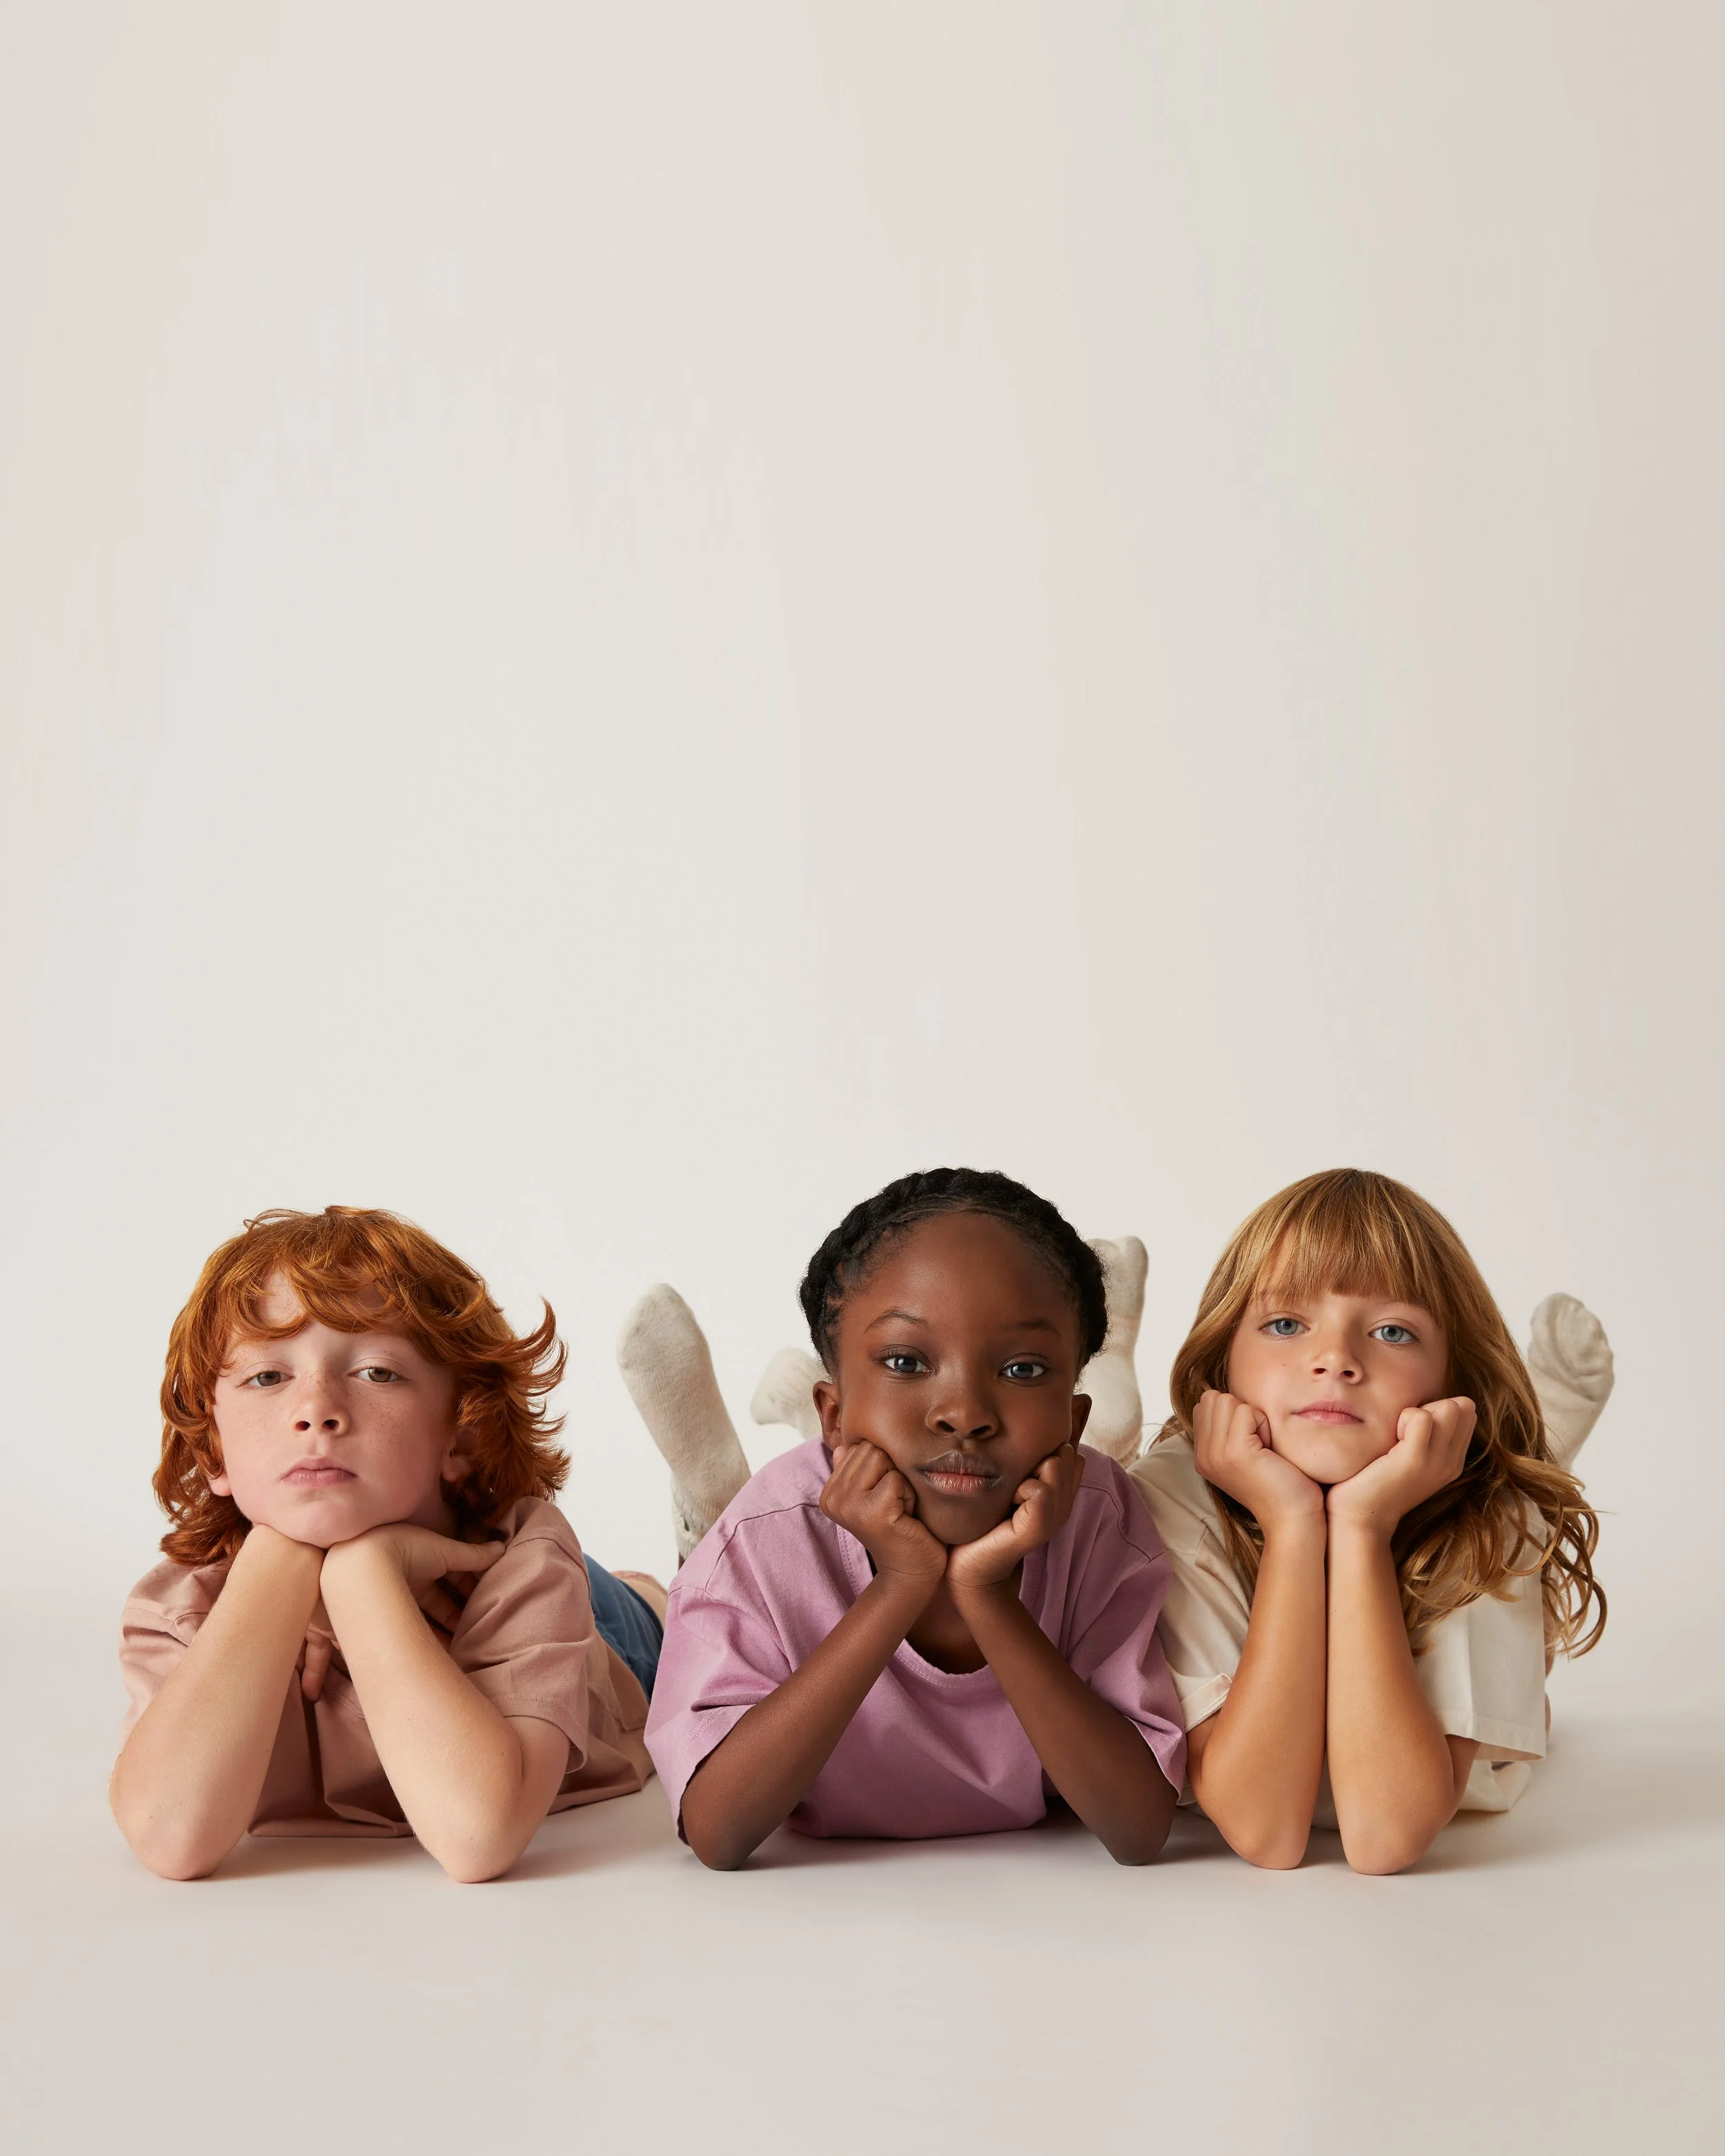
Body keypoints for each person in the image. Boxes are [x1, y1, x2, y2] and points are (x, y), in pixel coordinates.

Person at [637, 1168, 1186, 1870]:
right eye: (905, 1360)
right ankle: (695, 1501)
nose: (963, 1411)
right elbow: (717, 1830)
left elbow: (1137, 1828)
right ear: (832, 1416)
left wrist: (986, 1593)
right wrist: (899, 1583)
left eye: (1022, 1369)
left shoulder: (1101, 1521)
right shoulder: (763, 1536)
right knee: (694, 1564)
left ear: (1072, 1424)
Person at [111, 1207, 668, 1882]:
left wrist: (359, 1576)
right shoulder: (182, 1607)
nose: (316, 1408)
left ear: (459, 1436)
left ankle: (699, 1553)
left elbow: (478, 1835)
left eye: (376, 1371)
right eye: (267, 1376)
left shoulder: (520, 1563)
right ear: (213, 1451)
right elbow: (171, 1836)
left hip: (607, 1636)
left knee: (681, 1624)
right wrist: (277, 1563)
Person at [1130, 1167, 1609, 1875]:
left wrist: (1359, 1525)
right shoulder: (1169, 1491)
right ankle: (1535, 1434)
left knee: (1519, 1497)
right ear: (1221, 1360)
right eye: (1285, 1323)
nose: (1335, 1359)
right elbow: (1265, 1829)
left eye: (1391, 1330)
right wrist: (1294, 1522)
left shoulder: (1491, 1521)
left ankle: (1525, 1441)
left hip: (1461, 1747)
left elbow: (1383, 1835)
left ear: (1450, 1382)